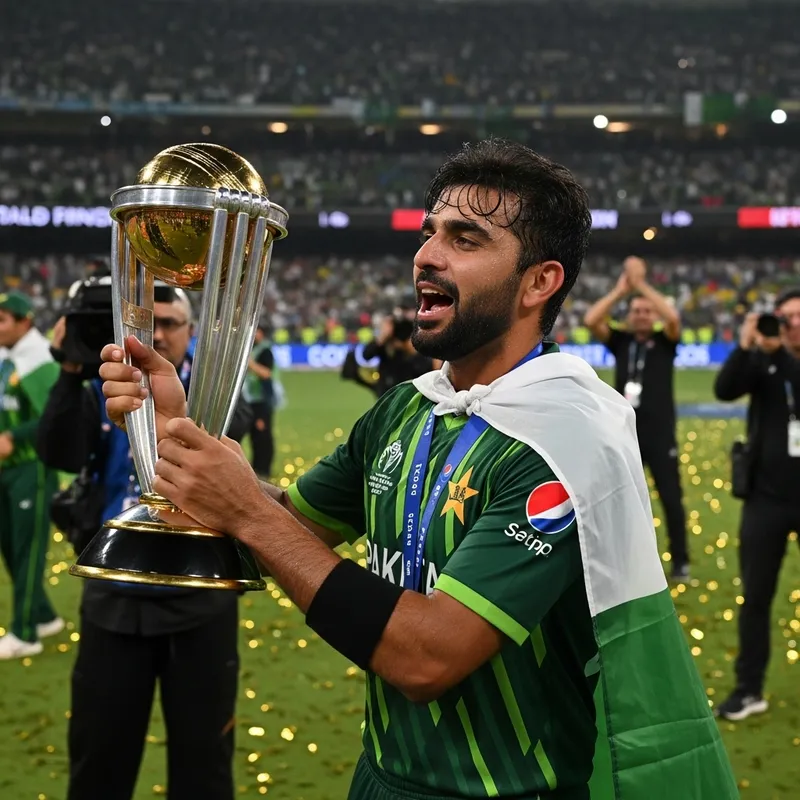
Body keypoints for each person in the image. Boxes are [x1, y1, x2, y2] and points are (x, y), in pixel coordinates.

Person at [100, 140, 736, 799]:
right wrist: (175, 428)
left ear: (539, 282)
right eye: (429, 233)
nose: (426, 256)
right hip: (379, 780)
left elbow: (427, 656)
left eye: (465, 239)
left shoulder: (565, 440)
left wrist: (249, 509)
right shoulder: (409, 407)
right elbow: (281, 534)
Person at [36, 279, 252, 800]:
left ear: (192, 332)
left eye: (170, 325)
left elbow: (237, 435)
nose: (157, 336)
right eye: (145, 326)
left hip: (201, 597)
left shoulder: (215, 387)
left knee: (204, 767)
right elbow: (58, 453)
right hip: (114, 596)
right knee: (99, 760)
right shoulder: (104, 386)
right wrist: (70, 367)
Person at [712, 289, 800, 720]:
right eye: (785, 318)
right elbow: (725, 389)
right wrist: (747, 345)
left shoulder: (782, 363)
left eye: (798, 317)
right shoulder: (765, 362)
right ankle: (749, 689)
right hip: (766, 498)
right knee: (757, 596)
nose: (791, 325)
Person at [583, 256, 689, 579]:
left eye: (646, 311)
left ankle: (681, 561)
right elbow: (591, 319)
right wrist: (620, 291)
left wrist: (641, 285)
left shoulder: (664, 342)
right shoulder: (623, 342)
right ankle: (618, 561)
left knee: (671, 498)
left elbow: (673, 318)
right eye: (636, 311)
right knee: (619, 499)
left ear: (653, 317)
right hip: (625, 434)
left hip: (660, 434)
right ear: (628, 317)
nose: (641, 315)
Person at [0, 290, 62, 659]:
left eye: (4, 320)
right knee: (10, 547)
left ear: (25, 322)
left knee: (28, 550)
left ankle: (24, 633)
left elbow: (52, 419)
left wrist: (12, 436)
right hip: (5, 469)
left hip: (32, 468)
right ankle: (43, 616)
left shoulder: (41, 360)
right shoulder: (7, 358)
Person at [361, 315, 436, 398]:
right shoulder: (383, 345)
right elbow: (366, 355)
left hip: (407, 391)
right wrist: (382, 338)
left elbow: (424, 367)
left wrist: (408, 347)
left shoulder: (411, 345)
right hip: (385, 392)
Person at [242, 323, 276, 477]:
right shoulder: (250, 349)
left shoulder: (265, 351)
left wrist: (249, 363)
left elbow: (266, 373)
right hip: (247, 399)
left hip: (262, 400)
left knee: (262, 435)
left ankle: (263, 470)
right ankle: (253, 469)